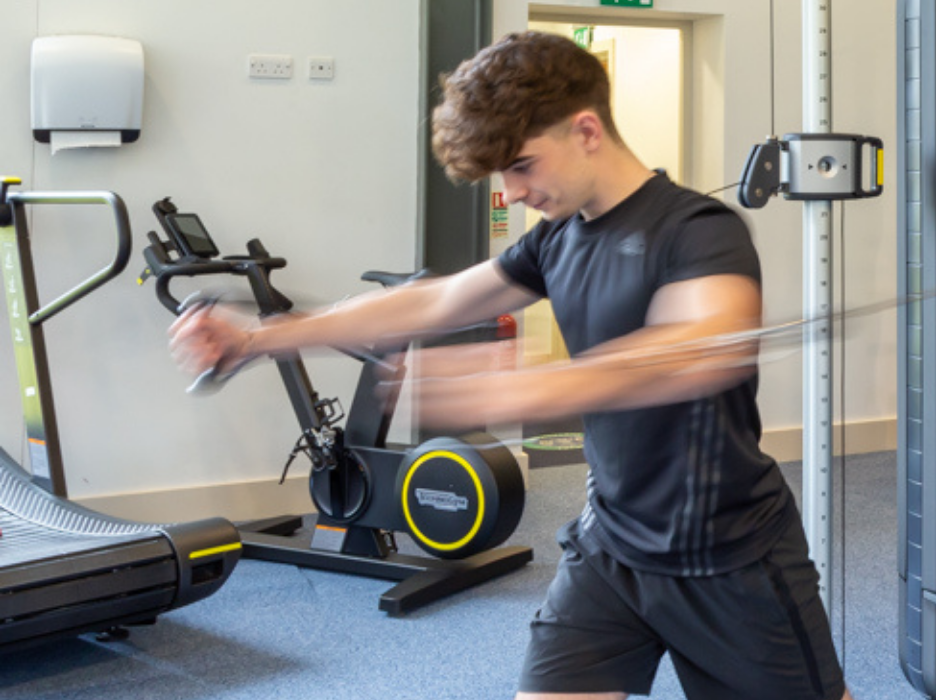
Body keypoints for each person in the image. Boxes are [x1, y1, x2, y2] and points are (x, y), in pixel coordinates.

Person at [169, 31, 848, 700]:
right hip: (611, 548)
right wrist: (259, 338)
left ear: (586, 130)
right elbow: (436, 301)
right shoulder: (558, 238)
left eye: (522, 165)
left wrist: (514, 386)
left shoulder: (698, 229)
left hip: (727, 557)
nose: (512, 191)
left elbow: (694, 352)